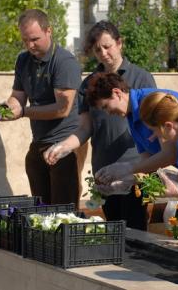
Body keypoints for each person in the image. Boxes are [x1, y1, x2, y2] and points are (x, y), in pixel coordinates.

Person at [43, 20, 156, 230]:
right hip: (104, 171)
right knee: (113, 229)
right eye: (97, 50)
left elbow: (153, 125)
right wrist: (62, 147)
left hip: (136, 168)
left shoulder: (141, 78)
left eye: (107, 46)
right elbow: (85, 128)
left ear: (119, 43)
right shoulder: (89, 85)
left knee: (136, 232)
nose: (103, 53)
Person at [0, 9, 82, 206]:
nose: (29, 45)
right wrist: (6, 109)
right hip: (39, 141)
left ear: (48, 31)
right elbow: (17, 97)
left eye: (34, 39)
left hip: (64, 143)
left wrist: (23, 112)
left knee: (63, 210)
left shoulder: (64, 62)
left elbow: (62, 109)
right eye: (25, 40)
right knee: (41, 209)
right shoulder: (23, 60)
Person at [79, 72, 178, 187]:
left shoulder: (149, 103)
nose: (108, 113)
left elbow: (169, 155)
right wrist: (125, 182)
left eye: (106, 106)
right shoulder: (131, 116)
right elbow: (147, 159)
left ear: (117, 93)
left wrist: (126, 168)